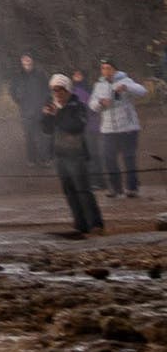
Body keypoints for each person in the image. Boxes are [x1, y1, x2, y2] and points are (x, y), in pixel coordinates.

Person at [43, 73, 105, 237]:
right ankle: (80, 224)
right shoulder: (53, 106)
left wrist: (57, 116)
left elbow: (75, 126)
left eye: (60, 90)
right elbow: (46, 130)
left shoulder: (77, 105)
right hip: (60, 154)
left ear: (67, 90)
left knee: (83, 190)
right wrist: (46, 116)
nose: (57, 93)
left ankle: (96, 223)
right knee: (69, 190)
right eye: (54, 90)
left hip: (76, 154)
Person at [91, 58, 148, 199]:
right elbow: (91, 105)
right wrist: (100, 103)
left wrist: (127, 87)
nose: (106, 71)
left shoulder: (125, 80)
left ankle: (132, 188)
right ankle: (115, 188)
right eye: (103, 68)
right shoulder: (99, 85)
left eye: (109, 68)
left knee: (128, 158)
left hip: (127, 127)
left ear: (115, 69)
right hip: (108, 129)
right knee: (108, 158)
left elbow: (142, 91)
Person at [8, 53, 50, 165]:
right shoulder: (18, 75)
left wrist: (46, 104)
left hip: (39, 110)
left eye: (28, 58)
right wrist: (18, 100)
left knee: (41, 136)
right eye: (24, 58)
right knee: (28, 136)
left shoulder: (40, 74)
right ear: (21, 61)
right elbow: (12, 90)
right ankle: (31, 159)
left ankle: (44, 159)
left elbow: (46, 90)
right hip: (25, 111)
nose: (26, 60)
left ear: (32, 60)